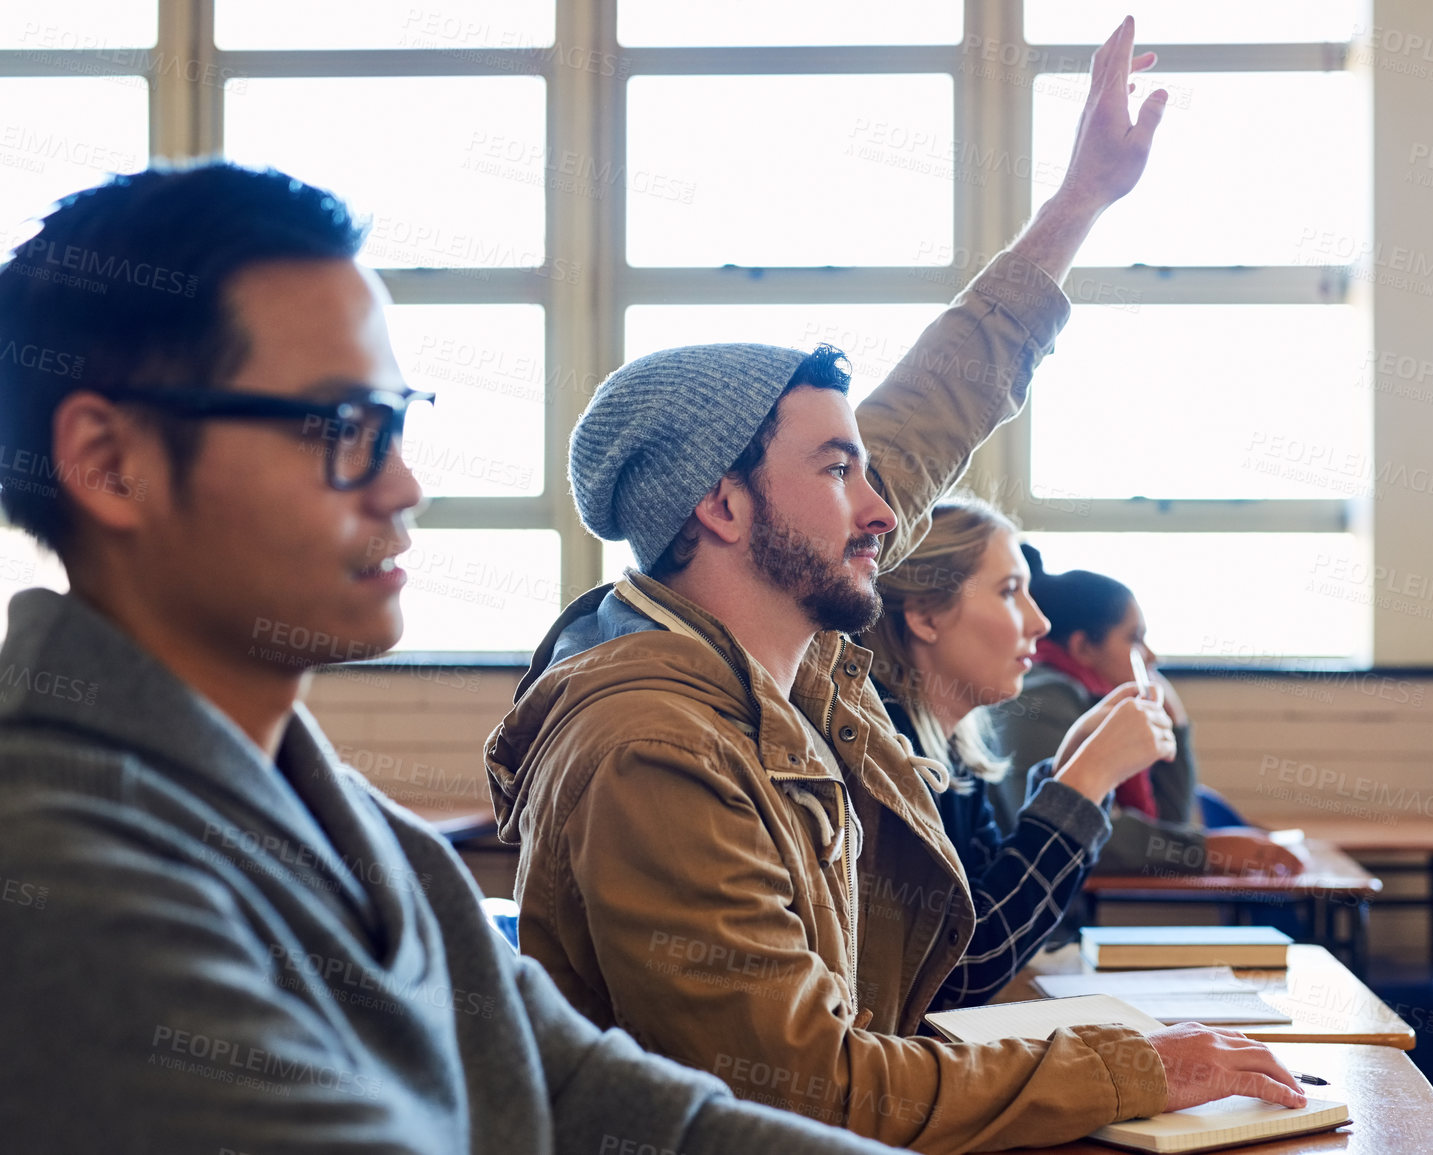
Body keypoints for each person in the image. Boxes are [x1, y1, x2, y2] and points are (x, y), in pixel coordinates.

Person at [487, 19, 1306, 1154]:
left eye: (870, 474)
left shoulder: (781, 635)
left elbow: (936, 406)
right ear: (720, 508)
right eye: (837, 472)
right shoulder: (652, 749)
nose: (882, 510)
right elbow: (809, 1096)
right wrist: (1129, 1069)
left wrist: (1080, 204)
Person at [0, 163, 891, 1153]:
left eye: (398, 421)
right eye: (342, 426)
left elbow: (622, 1107)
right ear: (107, 462)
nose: (403, 484)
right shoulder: (66, 873)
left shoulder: (364, 833)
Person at [862, 495, 1182, 1008]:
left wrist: (1072, 766)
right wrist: (1086, 780)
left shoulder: (953, 753)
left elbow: (992, 904)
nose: (1040, 622)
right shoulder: (885, 756)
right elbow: (959, 974)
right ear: (925, 614)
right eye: (1011, 592)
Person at [991, 546, 1303, 878]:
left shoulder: (1094, 702)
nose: (1150, 656)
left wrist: (1176, 722)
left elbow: (1171, 823)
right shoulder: (1044, 697)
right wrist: (1204, 850)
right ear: (1083, 647)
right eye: (1135, 639)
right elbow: (1065, 829)